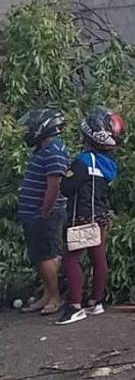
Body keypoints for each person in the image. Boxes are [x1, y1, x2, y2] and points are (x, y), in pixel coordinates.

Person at [56, 107, 124, 325]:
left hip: (81, 217)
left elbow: (66, 188)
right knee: (99, 258)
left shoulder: (83, 161)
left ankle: (75, 306)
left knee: (72, 260)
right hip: (101, 216)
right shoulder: (110, 164)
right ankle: (96, 302)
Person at [16, 108, 70, 315]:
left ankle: (54, 298)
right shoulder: (44, 149)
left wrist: (45, 212)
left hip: (46, 214)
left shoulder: (55, 151)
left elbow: (54, 186)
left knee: (47, 255)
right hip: (35, 213)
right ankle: (47, 295)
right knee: (41, 255)